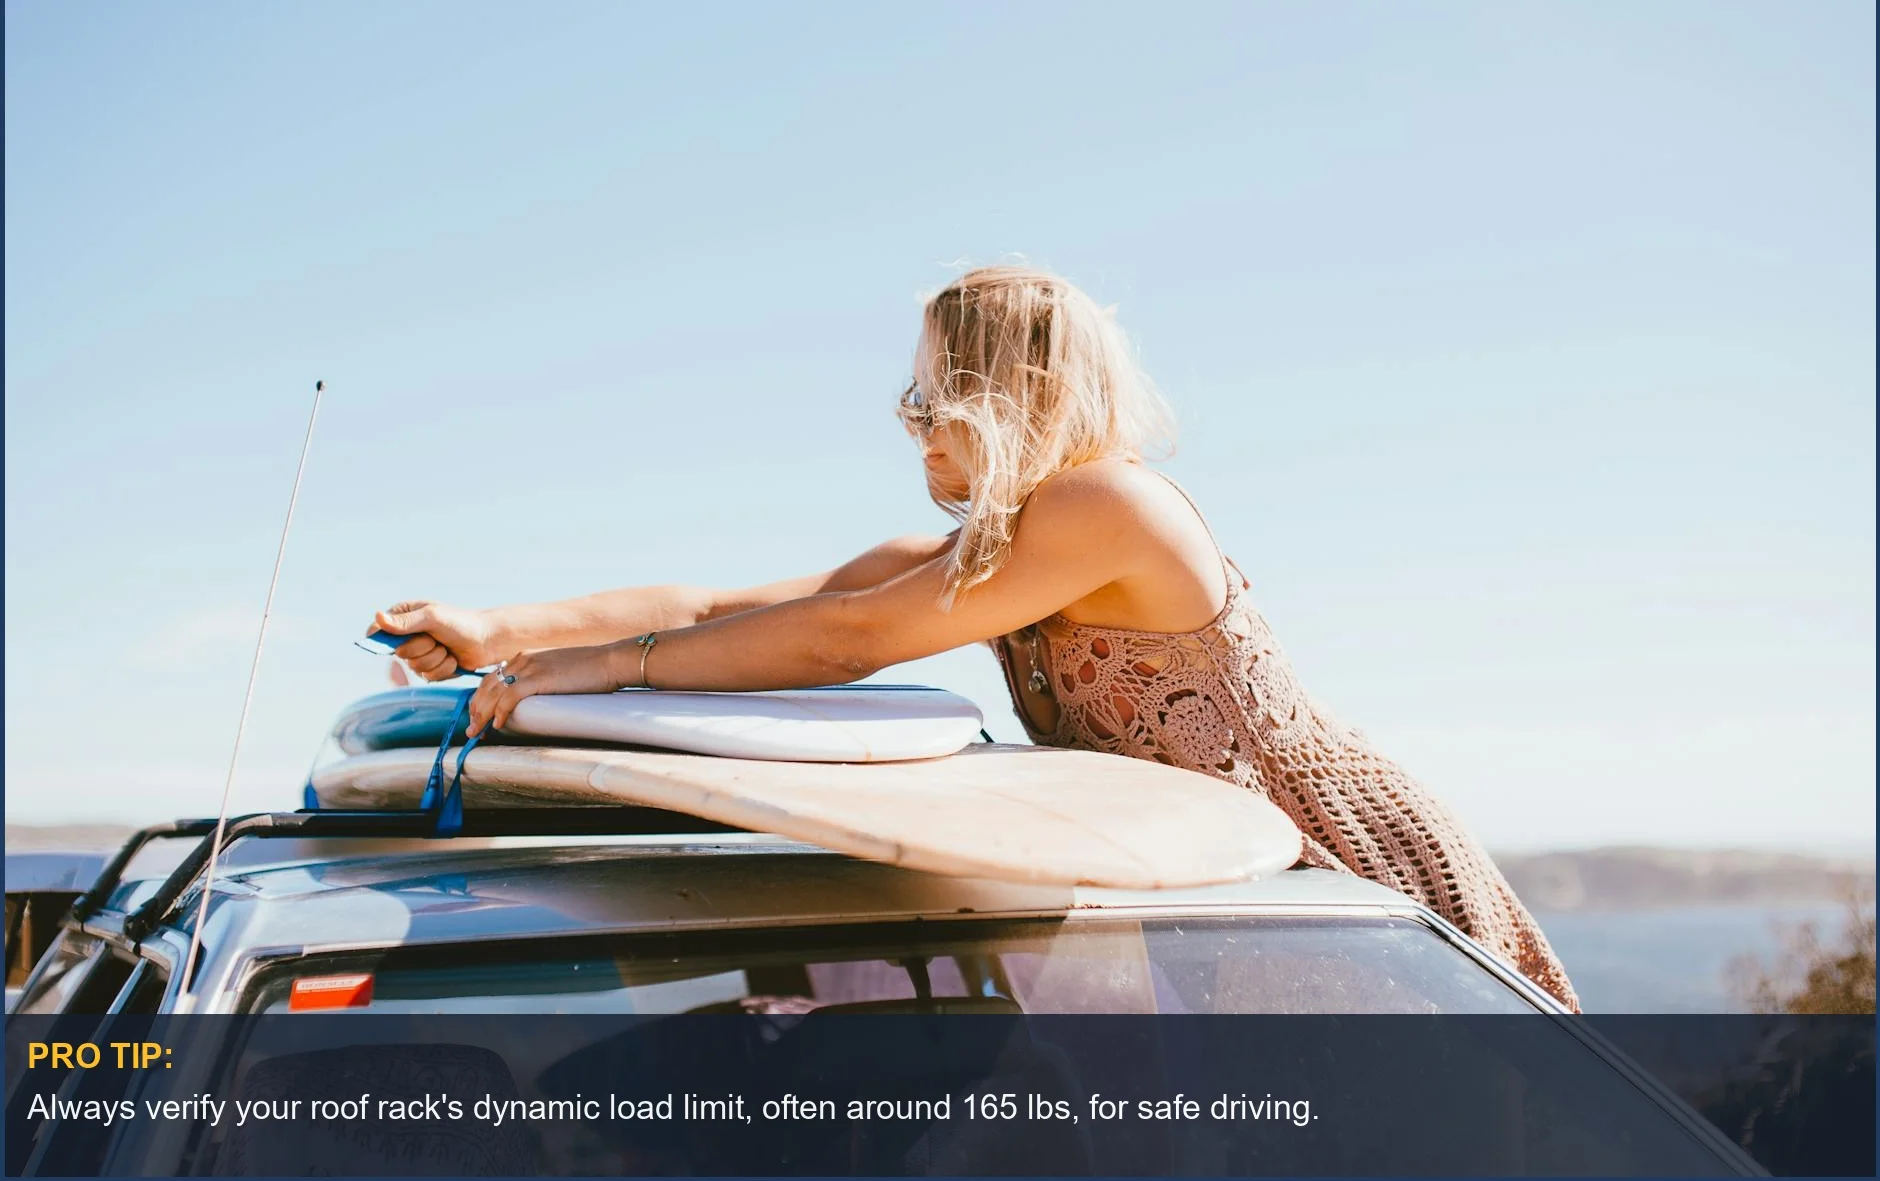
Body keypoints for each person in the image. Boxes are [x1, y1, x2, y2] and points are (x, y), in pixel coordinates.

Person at [369, 265, 1581, 1012]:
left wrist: (591, 674)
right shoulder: (985, 554)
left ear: (1009, 396)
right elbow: (721, 609)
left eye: (928, 400)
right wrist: (501, 628)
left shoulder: (1105, 504)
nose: (913, 432)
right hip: (1225, 891)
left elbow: (841, 640)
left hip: (1335, 864)